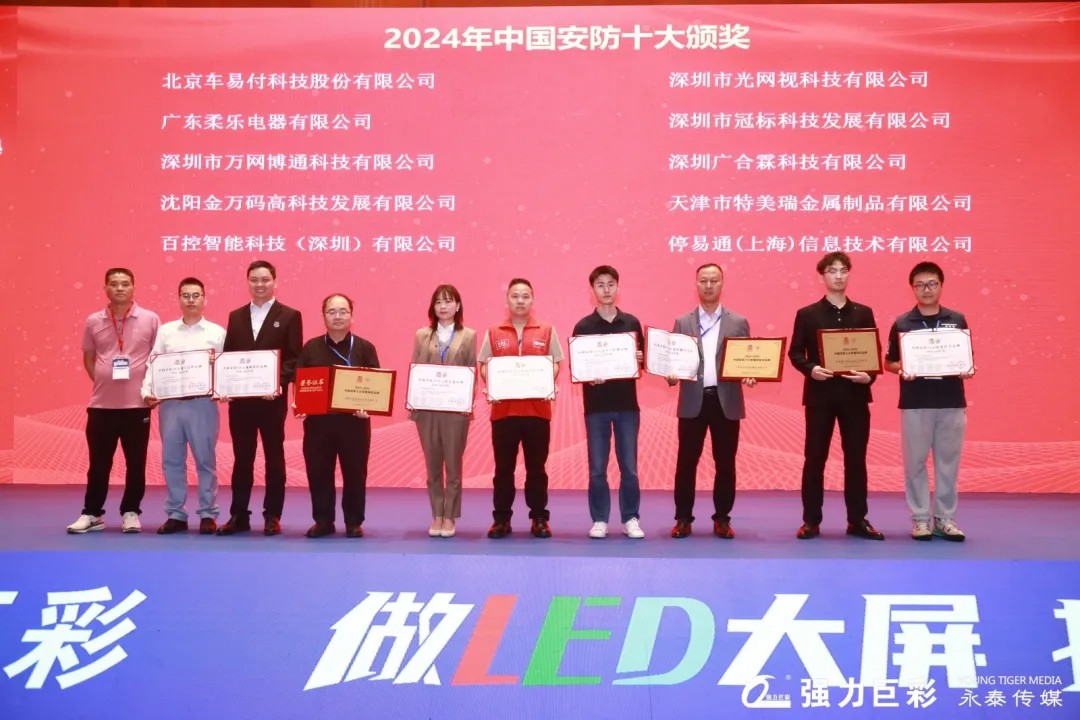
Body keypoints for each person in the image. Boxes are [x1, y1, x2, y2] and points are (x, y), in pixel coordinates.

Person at [788, 252, 884, 541]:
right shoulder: (807, 314)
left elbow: (873, 353)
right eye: (832, 271)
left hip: (855, 396)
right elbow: (795, 352)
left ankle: (857, 520)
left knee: (856, 459)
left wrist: (870, 375)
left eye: (843, 270)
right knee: (814, 459)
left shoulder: (863, 312)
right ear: (822, 276)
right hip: (820, 397)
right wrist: (811, 369)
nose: (839, 275)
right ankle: (811, 521)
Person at [885, 261, 974, 542]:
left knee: (948, 463)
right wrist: (903, 368)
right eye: (920, 285)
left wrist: (966, 368)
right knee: (915, 464)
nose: (926, 290)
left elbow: (966, 358)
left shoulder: (957, 320)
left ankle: (945, 518)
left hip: (951, 402)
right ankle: (921, 519)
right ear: (912, 288)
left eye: (932, 284)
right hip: (916, 403)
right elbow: (889, 362)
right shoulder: (902, 323)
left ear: (941, 285)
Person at [67, 268, 160, 534]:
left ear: (134, 288)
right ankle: (92, 513)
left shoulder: (151, 319)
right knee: (98, 464)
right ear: (105, 288)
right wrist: (103, 379)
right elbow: (88, 357)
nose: (120, 288)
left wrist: (150, 389)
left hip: (137, 407)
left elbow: (157, 358)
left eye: (125, 283)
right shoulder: (93, 320)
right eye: (114, 284)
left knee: (136, 463)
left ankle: (131, 512)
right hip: (101, 406)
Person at [667, 263, 756, 539]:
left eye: (714, 280)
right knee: (686, 464)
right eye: (703, 280)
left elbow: (747, 359)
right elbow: (673, 360)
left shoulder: (738, 322)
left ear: (722, 284)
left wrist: (750, 374)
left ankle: (722, 519)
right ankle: (683, 518)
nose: (708, 285)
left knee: (725, 464)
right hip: (692, 401)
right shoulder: (682, 322)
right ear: (696, 284)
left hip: (726, 401)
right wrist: (670, 375)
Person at [217, 260, 302, 536]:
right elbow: (229, 357)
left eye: (265, 279)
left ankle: (272, 515)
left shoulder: (290, 315)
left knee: (274, 458)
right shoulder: (236, 316)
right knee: (242, 458)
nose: (260, 284)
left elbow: (294, 358)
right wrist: (224, 386)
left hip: (271, 400)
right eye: (254, 280)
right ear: (248, 282)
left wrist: (275, 383)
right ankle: (238, 515)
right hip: (241, 402)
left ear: (275, 282)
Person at [477, 278, 563, 539]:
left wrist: (547, 381)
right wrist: (492, 384)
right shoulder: (494, 331)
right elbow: (484, 365)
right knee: (503, 469)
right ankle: (501, 519)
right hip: (504, 413)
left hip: (537, 412)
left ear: (532, 300)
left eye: (525, 296)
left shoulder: (546, 330)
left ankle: (539, 518)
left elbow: (556, 363)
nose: (520, 300)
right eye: (515, 296)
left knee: (537, 469)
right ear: (507, 300)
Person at [141, 278, 226, 535]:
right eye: (186, 295)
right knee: (172, 460)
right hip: (171, 406)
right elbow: (153, 364)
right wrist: (146, 391)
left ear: (204, 299)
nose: (191, 300)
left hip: (203, 405)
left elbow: (225, 368)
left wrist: (224, 389)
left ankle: (208, 513)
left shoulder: (217, 333)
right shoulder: (166, 332)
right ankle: (176, 514)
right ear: (179, 299)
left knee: (205, 460)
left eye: (196, 295)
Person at [294, 294, 379, 538]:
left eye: (343, 311)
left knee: (355, 472)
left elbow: (376, 384)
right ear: (323, 316)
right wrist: (300, 403)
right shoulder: (311, 347)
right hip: (318, 423)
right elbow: (300, 381)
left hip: (354, 423)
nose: (338, 316)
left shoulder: (365, 347)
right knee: (319, 471)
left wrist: (368, 406)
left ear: (352, 316)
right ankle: (323, 521)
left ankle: (353, 521)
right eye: (332, 312)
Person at [571, 265, 645, 539]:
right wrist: (588, 376)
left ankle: (630, 518)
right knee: (597, 469)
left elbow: (642, 363)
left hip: (627, 406)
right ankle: (600, 519)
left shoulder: (631, 323)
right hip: (596, 408)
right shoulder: (583, 326)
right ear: (592, 289)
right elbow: (578, 367)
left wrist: (640, 360)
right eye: (600, 284)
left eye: (611, 284)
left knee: (630, 468)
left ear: (618, 287)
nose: (606, 289)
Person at [410, 285, 477, 539]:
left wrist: (466, 400)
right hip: (427, 410)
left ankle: (450, 515)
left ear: (457, 306)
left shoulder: (469, 335)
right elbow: (415, 367)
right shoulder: (422, 335)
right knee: (433, 466)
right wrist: (414, 398)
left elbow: (471, 371)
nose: (443, 306)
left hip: (455, 411)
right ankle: (437, 513)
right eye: (438, 302)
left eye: (448, 301)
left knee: (454, 467)